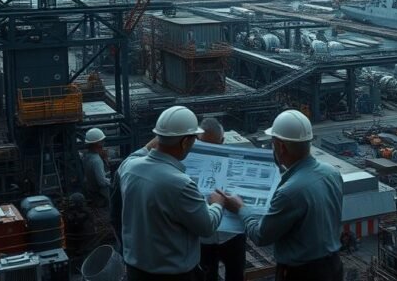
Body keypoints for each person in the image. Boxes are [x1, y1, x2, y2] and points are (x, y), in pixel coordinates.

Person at [223, 110, 343, 281]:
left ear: (280, 147)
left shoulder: (290, 192)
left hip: (301, 274)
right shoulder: (332, 173)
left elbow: (261, 236)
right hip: (333, 266)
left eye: (273, 144)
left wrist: (240, 208)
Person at [112, 105, 226, 281]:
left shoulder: (128, 167)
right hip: (173, 275)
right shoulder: (181, 184)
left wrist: (165, 133)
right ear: (185, 142)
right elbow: (207, 227)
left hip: (135, 271)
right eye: (193, 139)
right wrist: (218, 203)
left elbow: (143, 151)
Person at [197, 118, 247, 281]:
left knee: (235, 274)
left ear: (222, 140)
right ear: (197, 139)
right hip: (204, 236)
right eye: (205, 144)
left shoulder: (236, 162)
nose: (210, 149)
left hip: (231, 234)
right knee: (206, 276)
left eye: (214, 145)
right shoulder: (188, 162)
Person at [81, 128, 111, 208]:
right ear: (98, 143)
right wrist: (114, 181)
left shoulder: (86, 156)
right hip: (100, 196)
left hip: (91, 192)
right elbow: (102, 182)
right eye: (102, 141)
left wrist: (105, 160)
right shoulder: (96, 160)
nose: (103, 143)